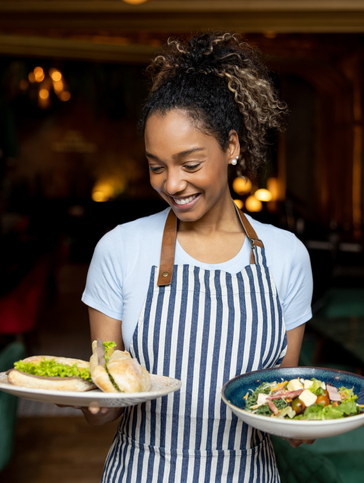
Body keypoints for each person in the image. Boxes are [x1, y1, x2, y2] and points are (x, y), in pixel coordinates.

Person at [81, 32, 313, 482]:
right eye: (156, 166)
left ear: (231, 146)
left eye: (189, 164)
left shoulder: (286, 257)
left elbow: (283, 400)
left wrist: (304, 422)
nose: (171, 184)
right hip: (141, 471)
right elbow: (103, 401)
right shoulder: (119, 248)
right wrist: (88, 401)